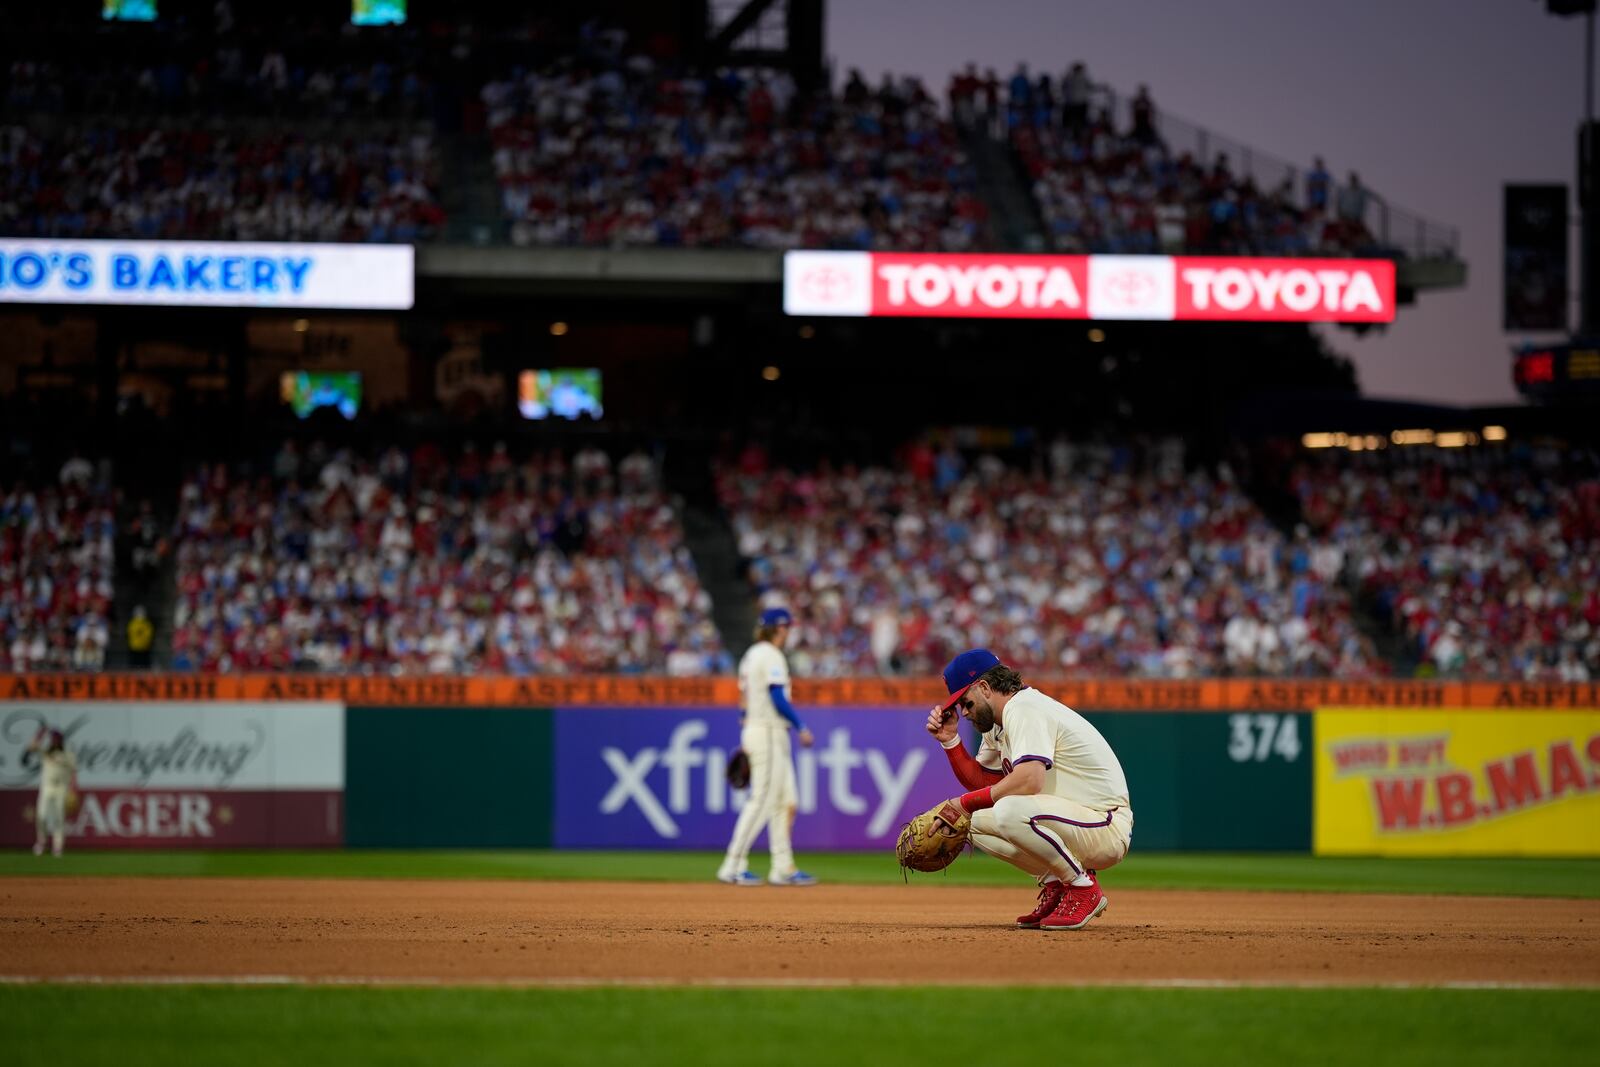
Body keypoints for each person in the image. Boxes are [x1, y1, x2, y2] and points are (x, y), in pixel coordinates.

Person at [924, 649, 1132, 930]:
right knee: (971, 820)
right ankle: (1058, 883)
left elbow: (1029, 780)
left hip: (1103, 823)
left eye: (965, 701)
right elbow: (985, 785)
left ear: (984, 687)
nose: (963, 711)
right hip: (1071, 820)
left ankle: (1082, 888)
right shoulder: (997, 724)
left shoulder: (1024, 708)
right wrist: (950, 741)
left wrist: (963, 802)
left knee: (1009, 810)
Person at [716, 607, 818, 887]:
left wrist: (747, 726)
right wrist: (802, 726)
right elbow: (777, 697)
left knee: (786, 801)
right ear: (780, 628)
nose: (789, 632)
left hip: (759, 728)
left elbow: (743, 699)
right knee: (761, 800)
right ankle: (733, 864)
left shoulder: (751, 655)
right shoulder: (771, 655)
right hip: (769, 731)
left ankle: (783, 867)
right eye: (787, 627)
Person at [26, 728, 77, 858]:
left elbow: (74, 773)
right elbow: (31, 747)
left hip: (61, 788)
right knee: (42, 816)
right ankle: (41, 842)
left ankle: (57, 847)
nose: (54, 742)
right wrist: (38, 735)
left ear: (60, 741)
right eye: (53, 740)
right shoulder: (46, 752)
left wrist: (74, 790)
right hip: (47, 788)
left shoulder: (68, 755)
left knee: (58, 818)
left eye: (56, 740)